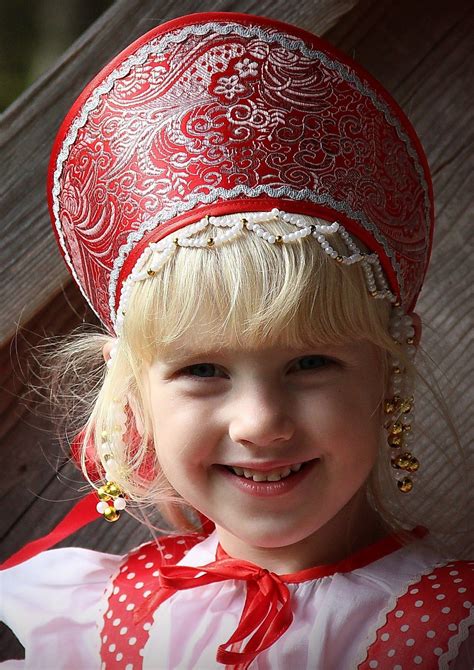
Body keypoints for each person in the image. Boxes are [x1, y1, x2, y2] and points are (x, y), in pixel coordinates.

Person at [1, 11, 472, 670]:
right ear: (132, 390)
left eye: (311, 362)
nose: (260, 422)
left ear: (390, 367)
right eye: (203, 370)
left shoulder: (447, 633)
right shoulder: (98, 618)